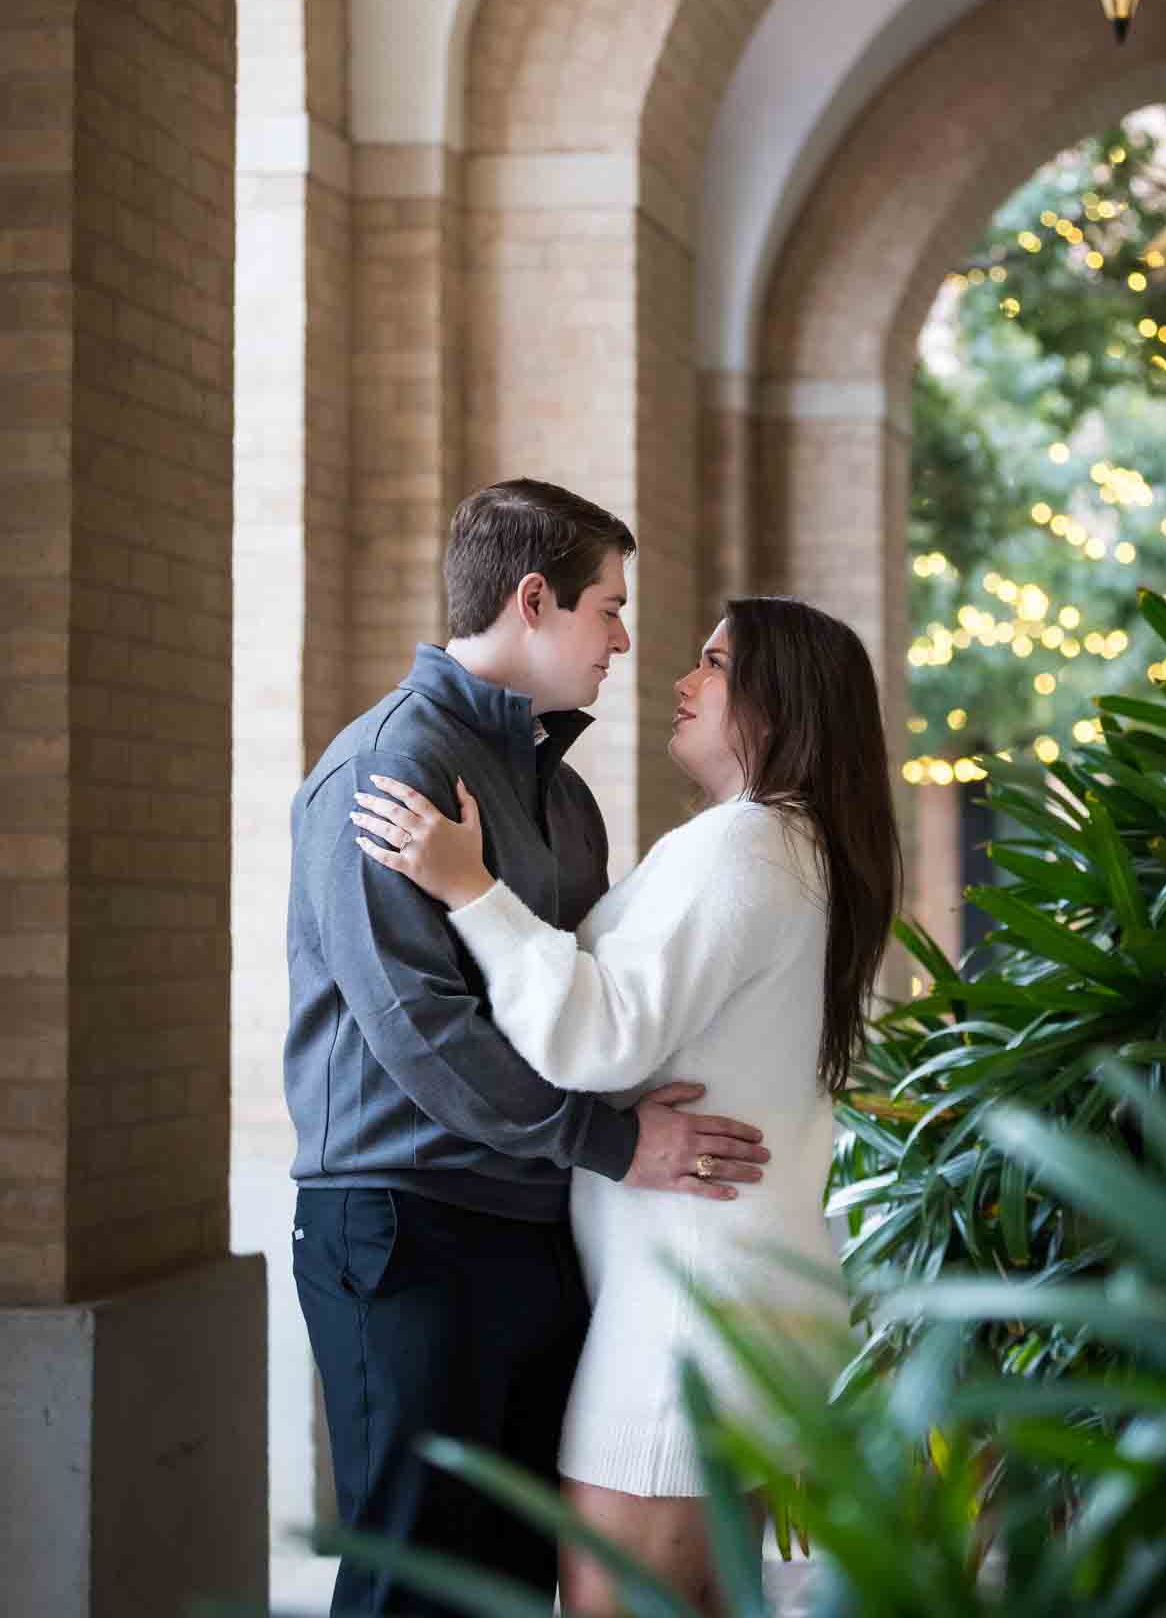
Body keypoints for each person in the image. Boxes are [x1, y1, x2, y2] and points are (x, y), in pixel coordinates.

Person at [352, 594, 903, 1616]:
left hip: (683, 1317)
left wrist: (471, 889)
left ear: (778, 705)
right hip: (744, 1295)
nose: (681, 682)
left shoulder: (741, 844)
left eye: (714, 662)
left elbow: (598, 1037)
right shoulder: (804, 849)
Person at [284, 479, 771, 1618]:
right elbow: (420, 1027)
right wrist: (613, 1143)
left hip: (530, 1220)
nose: (624, 635)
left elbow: (582, 1004)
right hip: (404, 1219)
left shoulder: (563, 797)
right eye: (608, 605)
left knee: (506, 1583)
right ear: (534, 598)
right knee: (422, 1580)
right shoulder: (384, 768)